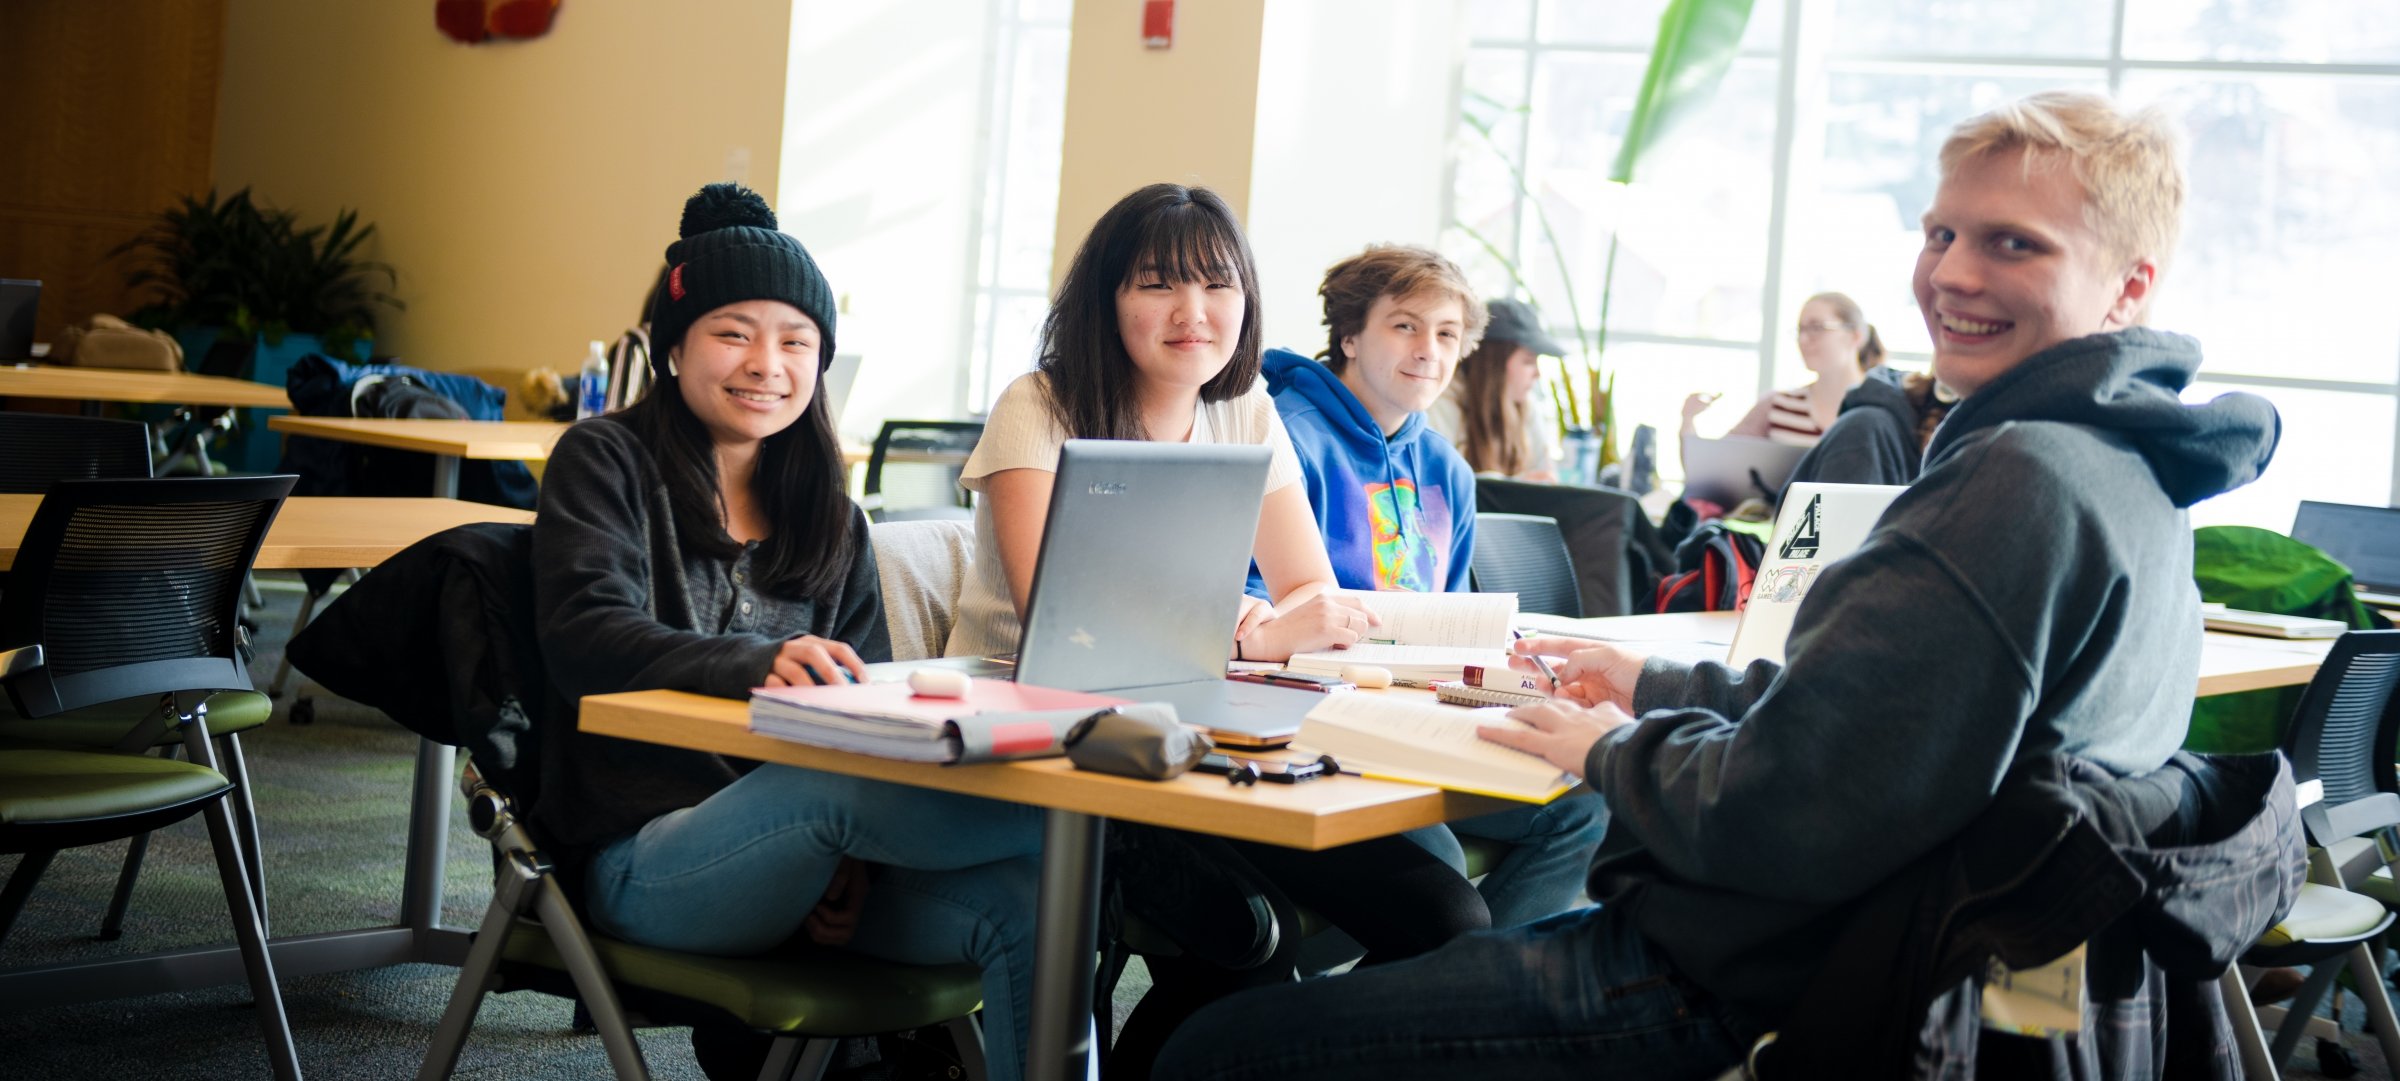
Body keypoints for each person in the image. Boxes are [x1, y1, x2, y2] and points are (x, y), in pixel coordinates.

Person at [1155, 91, 2279, 1081]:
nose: (1953, 273)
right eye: (1942, 231)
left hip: (1748, 978)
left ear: (2128, 286)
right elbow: (1893, 731)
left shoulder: (2014, 483)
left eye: (2014, 244)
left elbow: (1794, 806)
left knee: (1211, 1053)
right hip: (1889, 956)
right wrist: (1650, 682)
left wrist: (1602, 748)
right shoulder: (2134, 476)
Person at [944, 183, 1489, 1077]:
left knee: (1448, 922)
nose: (1193, 313)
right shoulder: (1038, 405)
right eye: (1158, 284)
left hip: (1217, 728)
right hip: (1063, 744)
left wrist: (1273, 624)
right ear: (1105, 299)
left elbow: (1308, 586)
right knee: (1250, 941)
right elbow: (1069, 616)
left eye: (1218, 285)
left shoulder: (1243, 409)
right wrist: (1251, 629)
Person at [529, 183, 1043, 1081]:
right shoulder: (605, 459)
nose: (767, 362)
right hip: (646, 859)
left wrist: (866, 872)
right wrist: (759, 664)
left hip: (821, 859)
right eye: (734, 332)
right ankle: (1116, 832)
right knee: (854, 790)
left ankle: (1096, 841)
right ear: (673, 346)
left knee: (1040, 905)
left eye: (796, 341)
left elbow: (873, 700)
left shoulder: (833, 518)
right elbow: (585, 638)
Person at [1253, 244, 1608, 928]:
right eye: (1405, 325)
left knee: (1584, 802)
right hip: (1325, 724)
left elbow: (1445, 613)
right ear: (1351, 335)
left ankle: (1476, 997)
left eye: (1447, 334)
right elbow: (1245, 605)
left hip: (1429, 715)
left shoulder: (1448, 469)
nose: (1428, 350)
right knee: (1439, 873)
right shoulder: (1289, 436)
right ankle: (1433, 1001)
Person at [1682, 291, 1886, 448]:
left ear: (1855, 336)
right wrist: (1688, 421)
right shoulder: (1777, 405)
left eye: (1817, 327)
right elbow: (1716, 465)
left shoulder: (1887, 407)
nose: (1804, 340)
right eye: (1800, 330)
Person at [1425, 297, 1569, 481]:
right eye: (1528, 361)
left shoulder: (1526, 407)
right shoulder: (1439, 404)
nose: (1537, 374)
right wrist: (1518, 486)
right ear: (1493, 364)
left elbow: (1546, 476)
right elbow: (1439, 487)